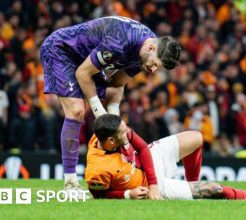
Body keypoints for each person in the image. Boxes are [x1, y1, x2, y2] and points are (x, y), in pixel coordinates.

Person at [40, 16, 181, 195]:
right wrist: (101, 114)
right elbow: (83, 73)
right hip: (61, 50)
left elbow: (117, 84)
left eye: (157, 68)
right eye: (154, 64)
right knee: (76, 111)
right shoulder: (119, 43)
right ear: (151, 48)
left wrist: (114, 120)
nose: (153, 70)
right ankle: (70, 182)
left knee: (112, 94)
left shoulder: (145, 51)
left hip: (85, 60)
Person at [85, 114, 246, 200]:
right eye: (123, 132)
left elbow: (143, 149)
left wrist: (154, 182)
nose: (127, 131)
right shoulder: (98, 169)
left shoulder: (109, 130)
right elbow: (99, 197)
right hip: (147, 186)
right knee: (214, 189)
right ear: (111, 141)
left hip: (150, 164)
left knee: (196, 138)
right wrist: (128, 195)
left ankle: (192, 185)